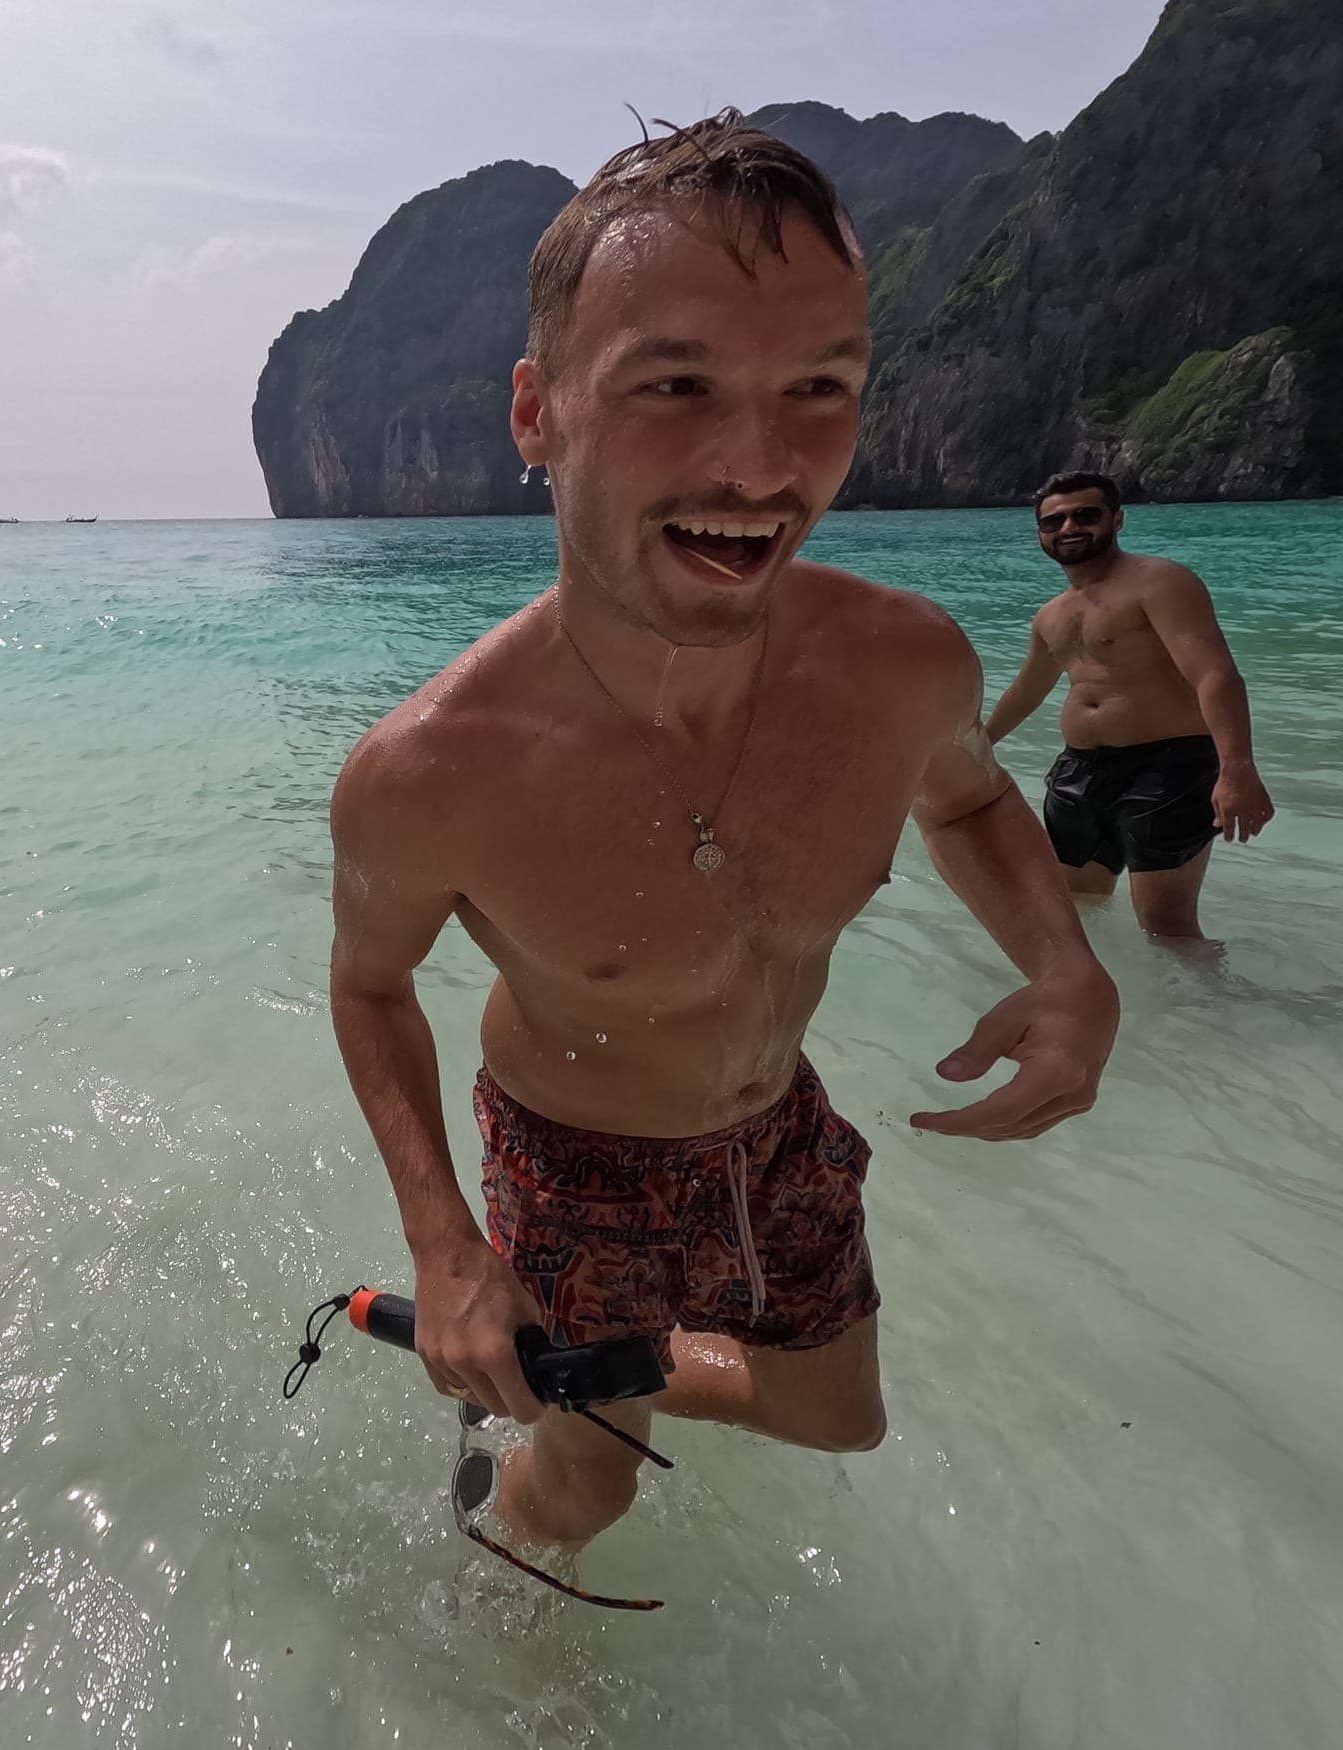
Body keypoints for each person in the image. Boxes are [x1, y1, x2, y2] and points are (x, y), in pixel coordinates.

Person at [326, 115, 1120, 1557]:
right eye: (675, 384)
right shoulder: (430, 770)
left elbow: (971, 797)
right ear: (537, 413)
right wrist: (448, 1244)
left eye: (818, 387)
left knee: (841, 1416)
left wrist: (1067, 964)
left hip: (775, 1115)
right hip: (576, 1149)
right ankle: (497, 1540)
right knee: (589, 1491)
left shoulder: (903, 668)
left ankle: (603, 1376)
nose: (761, 466)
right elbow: (370, 984)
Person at [984, 471, 1274, 941]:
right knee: (1078, 910)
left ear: (1117, 520)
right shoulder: (1051, 614)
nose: (1069, 528)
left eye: (1086, 515)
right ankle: (1116, 1005)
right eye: (1053, 521)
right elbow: (1026, 690)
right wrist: (974, 745)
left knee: (1165, 924)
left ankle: (1200, 1011)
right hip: (1078, 774)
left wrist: (1236, 768)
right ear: (1040, 533)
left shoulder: (1160, 582)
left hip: (1168, 770)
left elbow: (1214, 674)